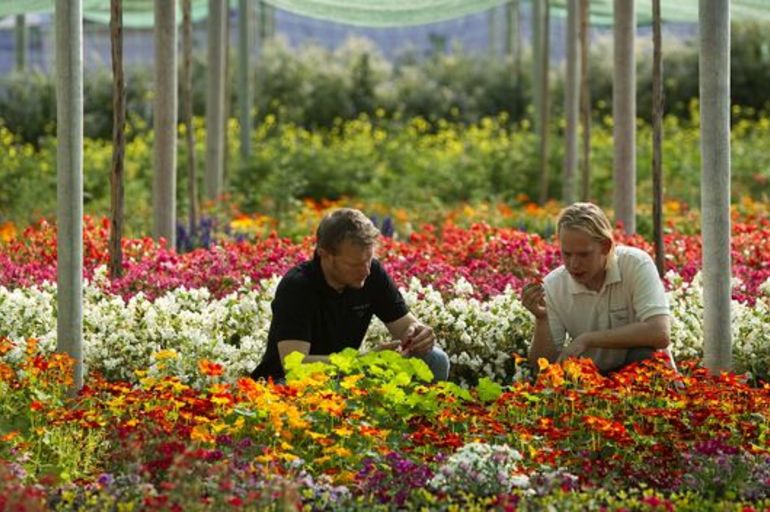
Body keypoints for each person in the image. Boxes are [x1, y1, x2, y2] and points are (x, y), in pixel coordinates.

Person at [251, 208, 450, 383]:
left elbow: (406, 327)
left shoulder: (372, 273)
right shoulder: (298, 286)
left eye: (369, 260)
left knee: (436, 360)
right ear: (324, 254)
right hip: (284, 385)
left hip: (348, 375)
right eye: (354, 265)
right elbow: (295, 366)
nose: (366, 271)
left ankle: (418, 422)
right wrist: (365, 361)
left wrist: (419, 335)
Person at [521, 202, 674, 374]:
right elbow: (542, 365)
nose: (574, 264)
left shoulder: (635, 264)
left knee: (643, 355)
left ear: (606, 246)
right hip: (592, 383)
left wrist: (588, 339)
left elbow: (660, 333)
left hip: (648, 382)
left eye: (584, 254)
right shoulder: (553, 285)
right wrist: (542, 319)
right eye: (567, 254)